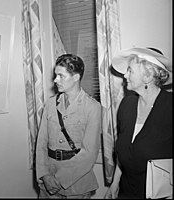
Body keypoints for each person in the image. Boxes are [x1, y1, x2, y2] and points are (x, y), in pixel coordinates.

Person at [104, 47, 172, 199]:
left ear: (147, 76)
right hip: (126, 191)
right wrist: (115, 184)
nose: (125, 75)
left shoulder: (169, 106)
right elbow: (123, 153)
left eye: (130, 71)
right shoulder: (127, 104)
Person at [35, 54, 101, 198]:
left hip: (77, 182)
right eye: (55, 75)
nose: (55, 80)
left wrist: (58, 180)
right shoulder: (51, 104)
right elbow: (41, 143)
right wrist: (45, 175)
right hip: (48, 178)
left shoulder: (92, 107)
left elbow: (89, 153)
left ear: (76, 77)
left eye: (61, 76)